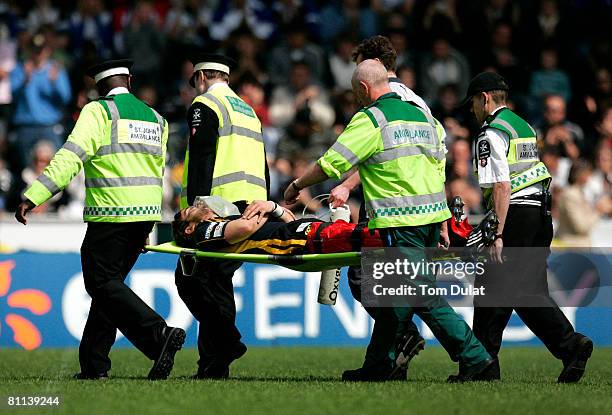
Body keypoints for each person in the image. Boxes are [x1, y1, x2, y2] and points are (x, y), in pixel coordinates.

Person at [284, 59, 495, 382]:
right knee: (394, 295)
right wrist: (440, 219)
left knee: (421, 294)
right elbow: (439, 166)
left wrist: (298, 185)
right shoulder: (426, 117)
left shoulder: (372, 119)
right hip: (429, 218)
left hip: (401, 221)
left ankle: (477, 358)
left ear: (365, 89)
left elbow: (332, 163)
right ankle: (380, 364)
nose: (356, 99)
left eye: (357, 93)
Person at [15, 59, 185, 380]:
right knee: (109, 289)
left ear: (97, 86)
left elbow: (70, 157)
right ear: (130, 81)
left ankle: (158, 335)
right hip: (145, 217)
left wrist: (34, 194)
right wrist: (150, 223)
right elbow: (157, 172)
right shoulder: (157, 118)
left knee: (100, 283)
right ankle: (94, 365)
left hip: (111, 212)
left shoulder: (98, 112)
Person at [460, 71, 593, 383]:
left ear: (485, 99)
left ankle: (485, 365)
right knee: (526, 291)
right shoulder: (524, 126)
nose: (471, 110)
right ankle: (567, 348)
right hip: (540, 215)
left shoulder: (490, 132)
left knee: (492, 288)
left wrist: (498, 233)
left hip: (515, 215)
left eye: (473, 104)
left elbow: (503, 186)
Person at [327, 35, 432, 381]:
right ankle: (388, 363)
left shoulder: (391, 101)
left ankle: (402, 340)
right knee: (385, 284)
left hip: (394, 206)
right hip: (415, 203)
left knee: (366, 280)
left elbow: (379, 151)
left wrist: (345, 183)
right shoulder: (415, 102)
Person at [177, 53, 269, 379]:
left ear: (201, 78)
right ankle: (214, 366)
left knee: (189, 280)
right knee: (217, 282)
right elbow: (264, 164)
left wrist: (196, 210)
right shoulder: (249, 111)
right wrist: (265, 206)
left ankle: (227, 343)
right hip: (252, 207)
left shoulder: (206, 104)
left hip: (220, 208)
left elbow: (202, 157)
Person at [172, 200, 383, 254]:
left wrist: (273, 207)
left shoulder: (228, 218)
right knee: (380, 237)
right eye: (188, 211)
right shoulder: (202, 232)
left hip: (302, 231)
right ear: (188, 229)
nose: (193, 206)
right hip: (299, 239)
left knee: (375, 234)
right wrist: (265, 209)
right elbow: (245, 228)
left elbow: (289, 219)